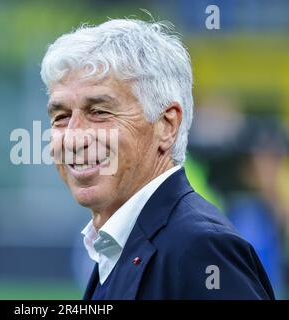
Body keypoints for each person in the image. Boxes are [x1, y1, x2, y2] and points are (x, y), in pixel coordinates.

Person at [40, 18, 274, 299]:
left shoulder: (202, 247)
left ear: (166, 126)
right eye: (61, 117)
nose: (74, 137)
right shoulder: (119, 243)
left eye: (100, 111)